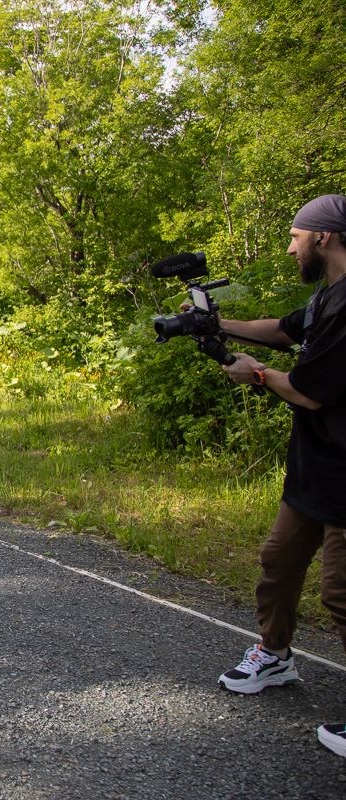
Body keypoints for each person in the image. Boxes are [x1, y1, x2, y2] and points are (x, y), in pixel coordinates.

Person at [214, 194, 346, 759]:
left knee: (341, 593)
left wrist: (257, 376)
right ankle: (275, 656)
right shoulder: (327, 296)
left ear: (324, 237)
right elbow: (283, 330)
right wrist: (215, 323)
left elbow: (311, 393)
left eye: (296, 235)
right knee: (279, 561)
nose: (290, 246)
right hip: (315, 467)